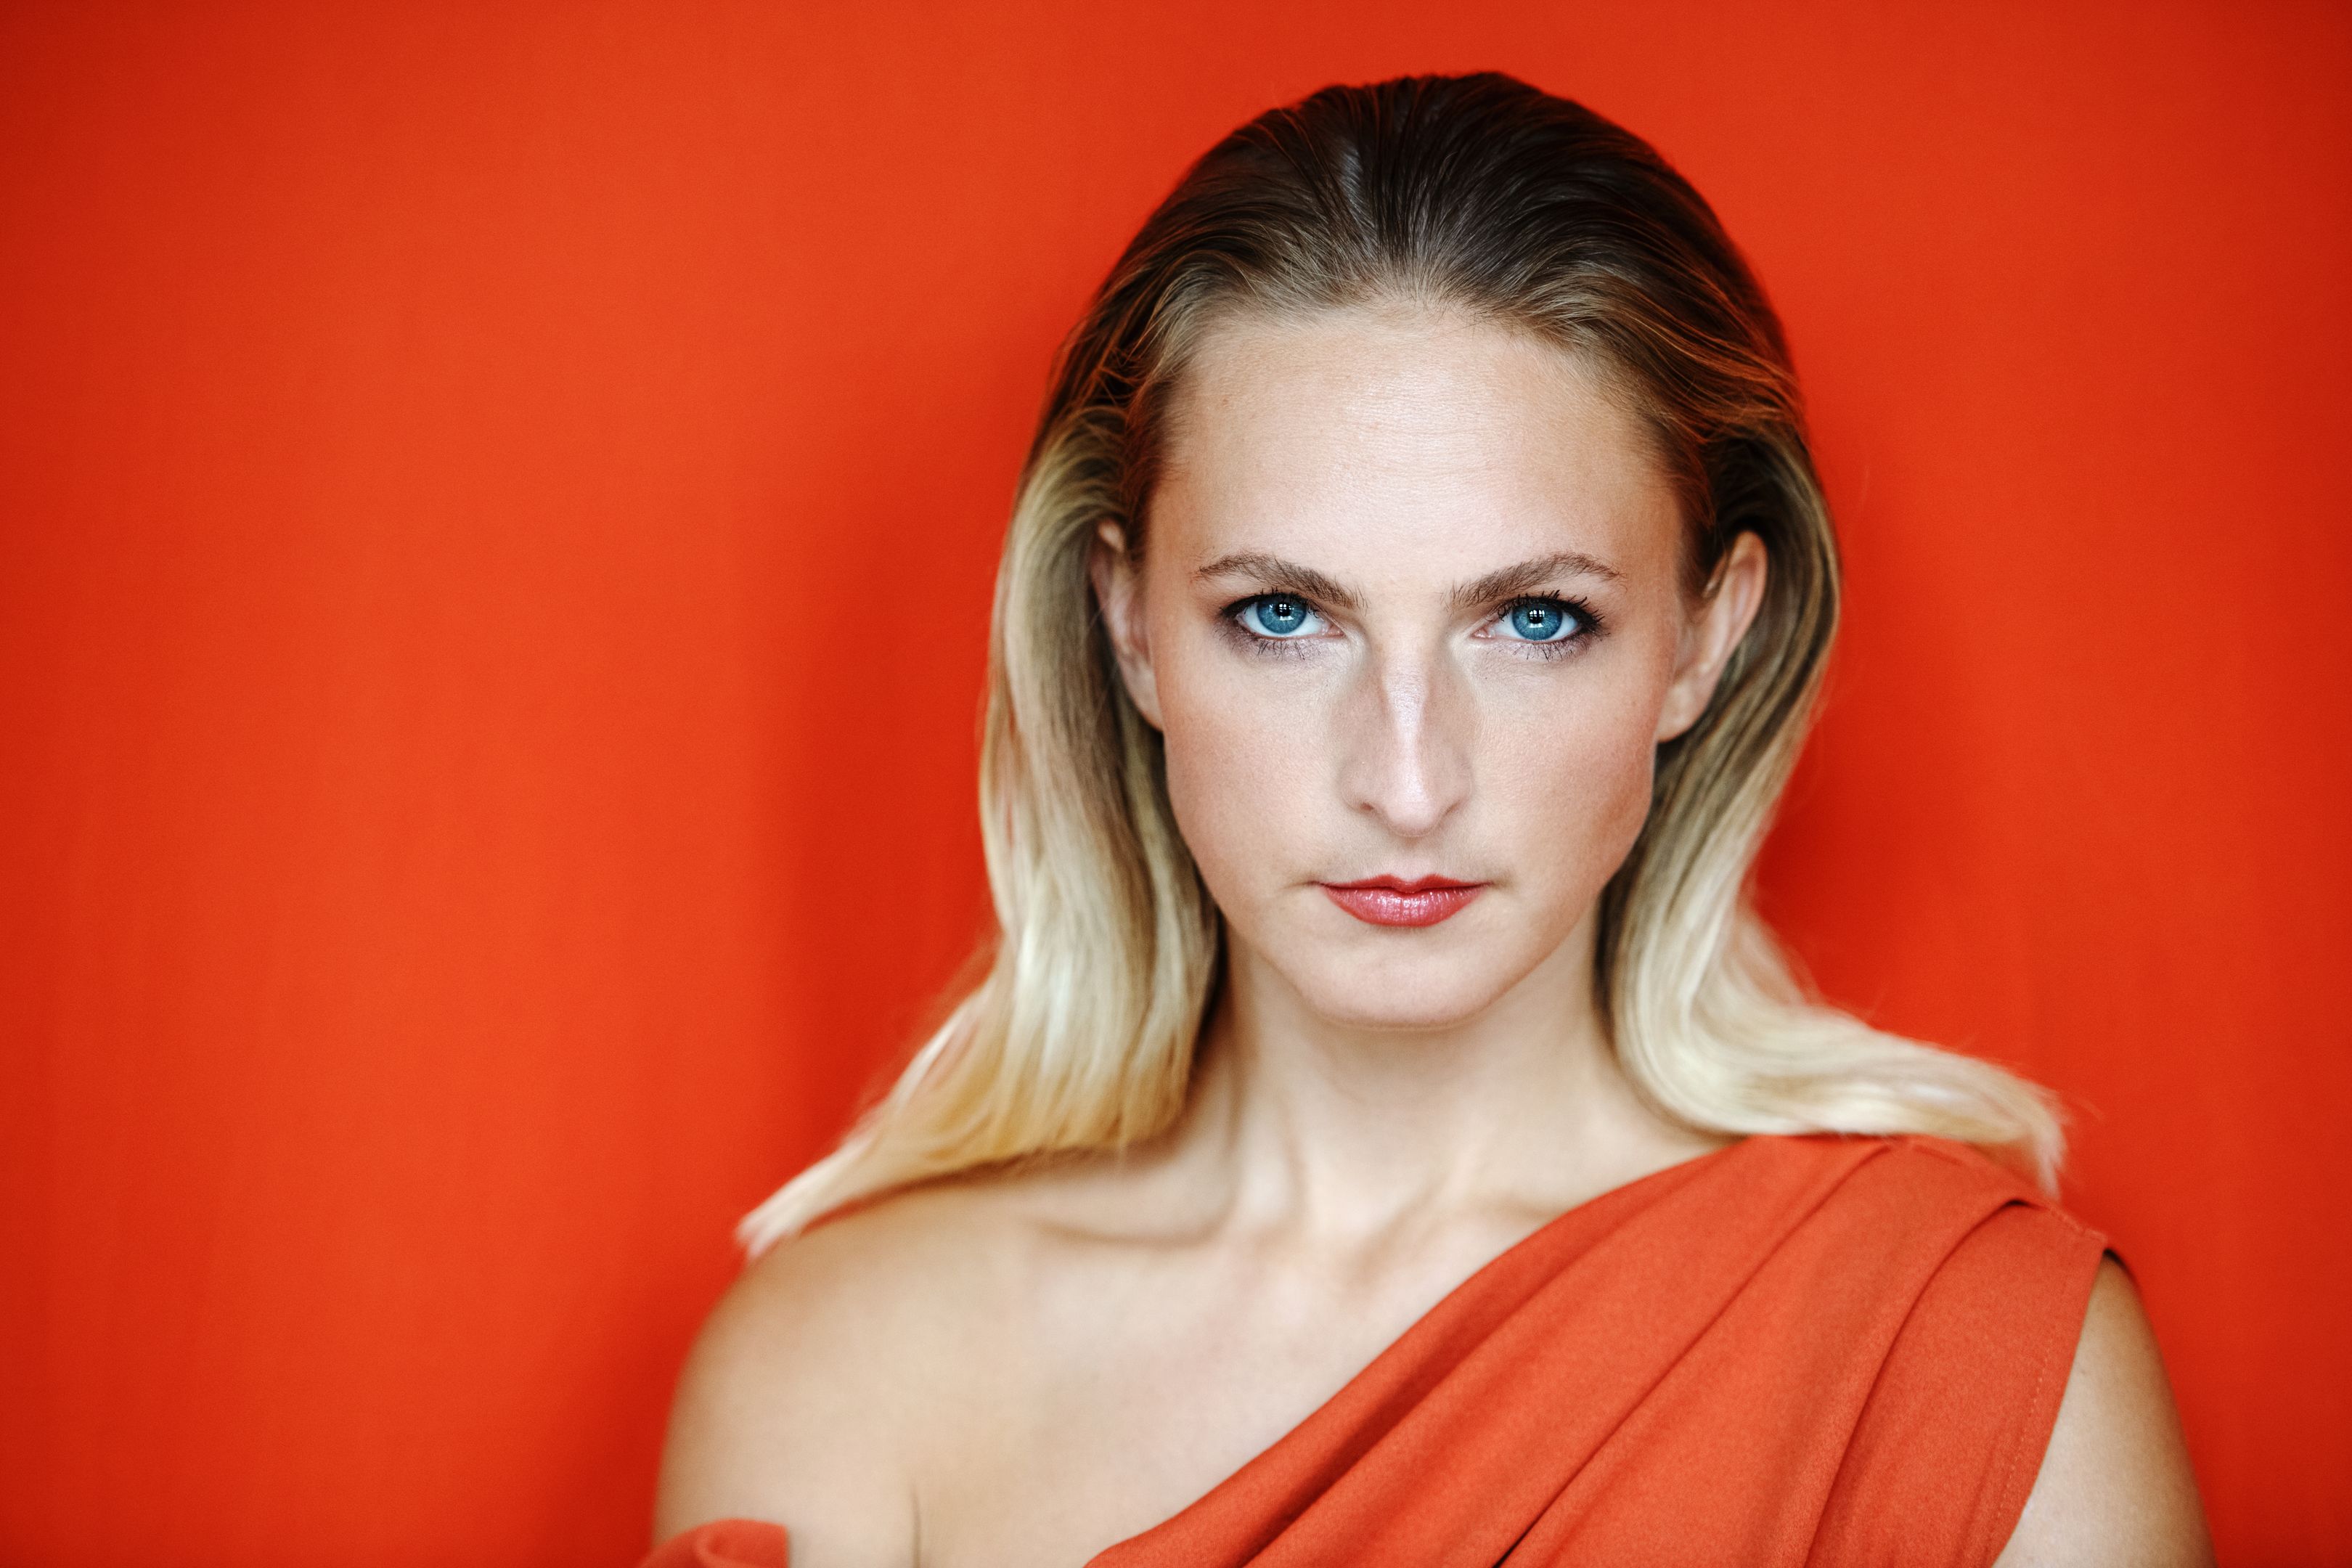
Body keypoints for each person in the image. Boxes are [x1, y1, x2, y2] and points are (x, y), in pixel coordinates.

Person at [648, 73, 2210, 1567]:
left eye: (1534, 620)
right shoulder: (844, 1375)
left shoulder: (1974, 1356)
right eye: (1281, 615)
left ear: (1705, 638)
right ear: (1129, 628)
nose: (1406, 783)